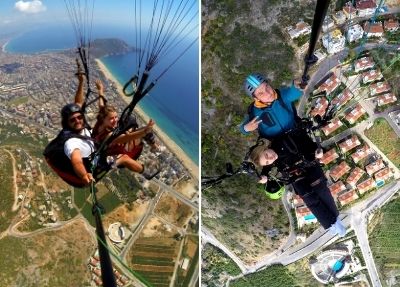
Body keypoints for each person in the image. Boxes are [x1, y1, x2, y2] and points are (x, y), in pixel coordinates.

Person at [242, 73, 346, 237]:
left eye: (267, 87)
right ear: (255, 97)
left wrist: (300, 83)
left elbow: (295, 90)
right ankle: (331, 222)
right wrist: (246, 128)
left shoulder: (281, 96)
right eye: (261, 92)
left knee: (319, 187)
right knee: (307, 195)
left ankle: (334, 220)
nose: (268, 92)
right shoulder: (253, 112)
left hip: (298, 140)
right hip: (282, 150)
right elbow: (247, 131)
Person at [92, 80, 160, 180]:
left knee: (134, 125)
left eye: (115, 117)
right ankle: (145, 172)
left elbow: (101, 105)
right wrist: (145, 130)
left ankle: (154, 147)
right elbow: (126, 138)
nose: (115, 120)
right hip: (111, 155)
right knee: (125, 158)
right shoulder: (109, 134)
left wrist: (100, 90)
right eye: (111, 118)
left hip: (107, 149)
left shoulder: (101, 121)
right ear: (104, 119)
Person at [44, 71, 97, 187]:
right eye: (73, 120)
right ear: (67, 123)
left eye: (79, 117)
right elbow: (76, 160)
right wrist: (84, 175)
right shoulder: (71, 142)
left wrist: (81, 82)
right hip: (81, 176)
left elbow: (78, 102)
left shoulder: (81, 123)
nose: (78, 121)